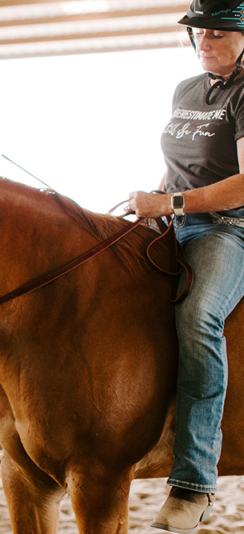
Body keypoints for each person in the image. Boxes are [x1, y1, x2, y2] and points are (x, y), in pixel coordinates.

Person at [127, 1, 244, 531]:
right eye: (199, 32)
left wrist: (172, 206)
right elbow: (181, 163)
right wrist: (157, 194)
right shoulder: (187, 89)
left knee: (199, 318)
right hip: (175, 219)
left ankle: (194, 482)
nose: (204, 42)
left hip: (229, 229)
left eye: (219, 34)